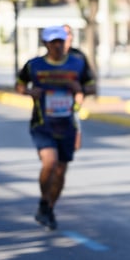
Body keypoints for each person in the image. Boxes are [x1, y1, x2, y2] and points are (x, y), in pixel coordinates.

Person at [15, 26, 95, 230]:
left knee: (60, 171)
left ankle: (49, 208)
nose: (58, 45)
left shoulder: (77, 64)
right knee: (49, 162)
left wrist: (82, 89)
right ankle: (44, 200)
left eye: (61, 41)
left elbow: (92, 86)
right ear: (46, 44)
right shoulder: (34, 65)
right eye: (53, 42)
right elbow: (19, 84)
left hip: (67, 124)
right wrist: (29, 92)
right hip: (43, 123)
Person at [62, 24, 97, 150]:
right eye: (65, 34)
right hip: (49, 114)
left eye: (70, 34)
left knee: (74, 146)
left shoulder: (79, 57)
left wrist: (81, 92)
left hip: (72, 109)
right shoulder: (45, 60)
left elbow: (91, 84)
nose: (69, 37)